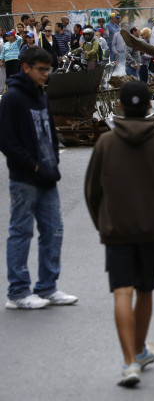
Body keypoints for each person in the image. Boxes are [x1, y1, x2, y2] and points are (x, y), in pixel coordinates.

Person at [84, 80, 154, 387]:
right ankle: (141, 350)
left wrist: (103, 224)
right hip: (150, 231)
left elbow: (91, 192)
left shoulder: (105, 143)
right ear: (147, 107)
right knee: (145, 291)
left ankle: (129, 362)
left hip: (116, 231)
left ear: (119, 106)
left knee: (121, 292)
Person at [0, 47, 78, 310]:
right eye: (41, 70)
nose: (46, 74)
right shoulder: (13, 98)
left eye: (48, 70)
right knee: (21, 233)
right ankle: (18, 292)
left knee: (54, 231)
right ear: (26, 68)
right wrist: (32, 166)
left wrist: (52, 163)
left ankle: (47, 286)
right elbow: (6, 140)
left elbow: (49, 133)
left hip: (47, 176)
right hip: (25, 179)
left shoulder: (41, 96)